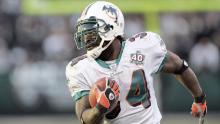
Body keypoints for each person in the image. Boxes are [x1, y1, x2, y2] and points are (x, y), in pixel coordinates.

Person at [66, 1, 207, 124]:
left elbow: (179, 66)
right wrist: (99, 109)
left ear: (111, 28)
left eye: (91, 32)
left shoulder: (143, 47)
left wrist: (199, 98)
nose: (86, 39)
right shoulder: (81, 68)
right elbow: (84, 119)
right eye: (84, 34)